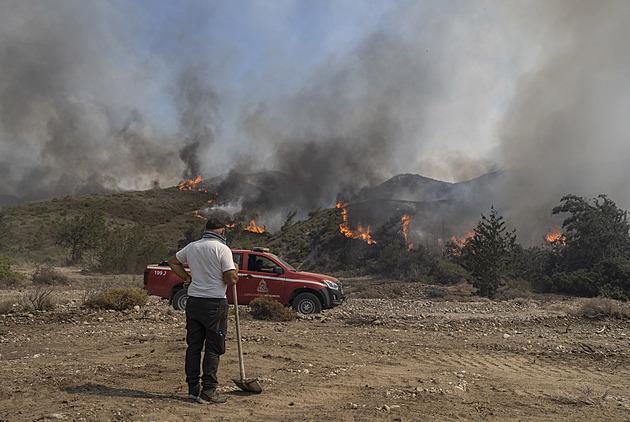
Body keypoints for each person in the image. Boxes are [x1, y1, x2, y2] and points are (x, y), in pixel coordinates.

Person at [167, 217, 238, 404]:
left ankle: (192, 390)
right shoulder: (223, 249)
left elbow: (173, 261)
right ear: (222, 232)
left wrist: (187, 277)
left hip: (194, 302)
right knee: (213, 348)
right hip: (215, 304)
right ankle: (208, 391)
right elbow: (231, 280)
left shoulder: (192, 247)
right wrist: (235, 270)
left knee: (194, 347)